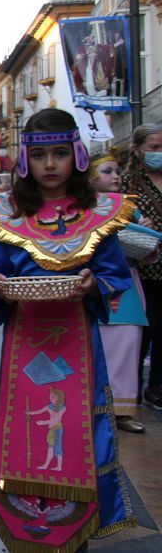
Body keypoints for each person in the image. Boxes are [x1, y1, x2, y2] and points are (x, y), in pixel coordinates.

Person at [0, 108, 136, 551]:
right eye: (41, 154)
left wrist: (92, 283)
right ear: (25, 160)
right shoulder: (6, 214)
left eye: (60, 153)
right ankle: (26, 522)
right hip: (26, 341)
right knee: (28, 428)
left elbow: (116, 274)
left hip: (76, 339)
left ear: (78, 156)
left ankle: (77, 526)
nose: (50, 164)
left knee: (75, 428)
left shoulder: (101, 212)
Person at [91, 149, 150, 433]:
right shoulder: (83, 207)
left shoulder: (129, 207)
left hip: (126, 282)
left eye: (116, 171)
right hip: (94, 282)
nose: (115, 177)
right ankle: (93, 406)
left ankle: (124, 410)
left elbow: (149, 247)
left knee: (128, 344)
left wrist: (145, 233)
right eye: (107, 171)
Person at [122, 124, 162, 410]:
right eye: (154, 147)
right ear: (138, 150)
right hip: (144, 265)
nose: (159, 153)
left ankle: (157, 387)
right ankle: (132, 388)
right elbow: (117, 218)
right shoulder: (128, 183)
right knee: (146, 328)